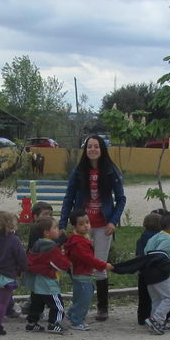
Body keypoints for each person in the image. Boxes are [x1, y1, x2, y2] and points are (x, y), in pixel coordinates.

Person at [58, 135, 126, 321]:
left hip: (103, 226)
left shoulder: (111, 171)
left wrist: (113, 221)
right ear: (85, 150)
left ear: (102, 149)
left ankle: (102, 307)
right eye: (89, 147)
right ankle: (81, 303)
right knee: (79, 264)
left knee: (99, 266)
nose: (93, 150)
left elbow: (121, 199)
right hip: (81, 227)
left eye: (96, 146)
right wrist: (63, 223)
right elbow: (68, 198)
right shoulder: (79, 171)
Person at [62, 208, 110, 331]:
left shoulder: (78, 239)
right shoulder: (79, 242)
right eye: (81, 224)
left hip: (79, 272)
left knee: (79, 296)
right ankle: (76, 321)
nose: (86, 226)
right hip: (82, 273)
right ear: (74, 226)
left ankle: (72, 313)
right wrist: (103, 265)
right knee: (84, 298)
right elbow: (88, 258)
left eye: (87, 222)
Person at [25, 217, 70, 334]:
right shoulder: (51, 248)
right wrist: (67, 262)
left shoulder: (37, 244)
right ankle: (53, 323)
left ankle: (31, 323)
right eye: (55, 228)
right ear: (46, 232)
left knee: (37, 302)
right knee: (57, 304)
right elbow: (60, 264)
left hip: (37, 280)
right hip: (48, 280)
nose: (58, 230)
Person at [0, 210, 26, 336]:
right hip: (7, 274)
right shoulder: (14, 240)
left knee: (0, 298)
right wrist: (24, 267)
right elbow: (21, 257)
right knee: (4, 301)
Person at [142, 212, 170, 334]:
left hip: (148, 273)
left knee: (157, 299)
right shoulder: (168, 240)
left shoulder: (156, 236)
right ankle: (155, 319)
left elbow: (146, 251)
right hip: (160, 274)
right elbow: (160, 255)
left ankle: (157, 323)